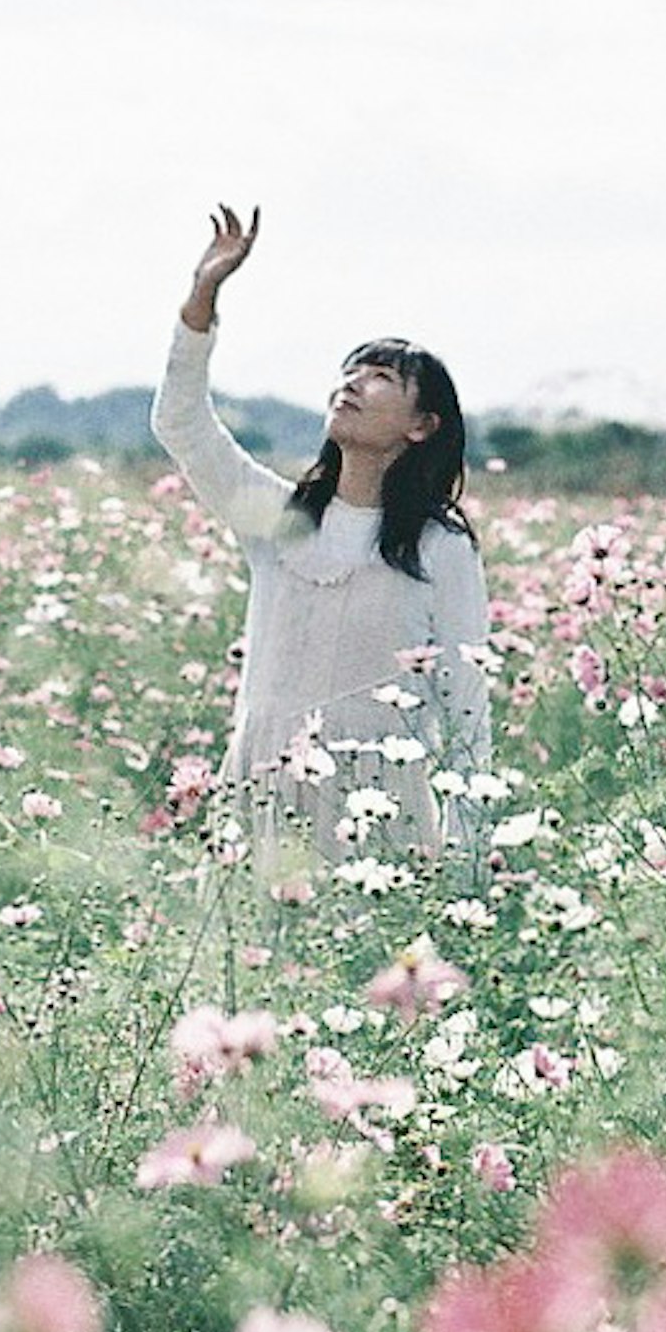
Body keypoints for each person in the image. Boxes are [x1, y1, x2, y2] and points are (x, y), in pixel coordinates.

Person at [155, 203, 491, 863]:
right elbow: (182, 423)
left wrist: (467, 861)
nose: (353, 384)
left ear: (421, 425)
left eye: (381, 377)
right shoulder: (279, 521)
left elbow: (467, 710)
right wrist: (203, 296)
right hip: (262, 797)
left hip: (379, 817)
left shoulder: (439, 548)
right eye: (351, 370)